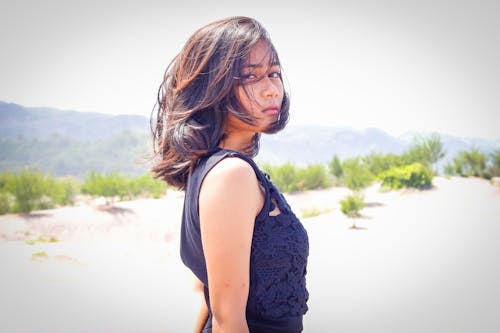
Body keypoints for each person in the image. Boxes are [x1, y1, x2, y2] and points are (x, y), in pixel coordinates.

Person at [150, 16, 309, 333]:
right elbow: (227, 320)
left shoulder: (216, 168)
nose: (270, 89)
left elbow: (210, 300)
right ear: (214, 87)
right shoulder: (231, 174)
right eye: (251, 77)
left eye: (274, 74)